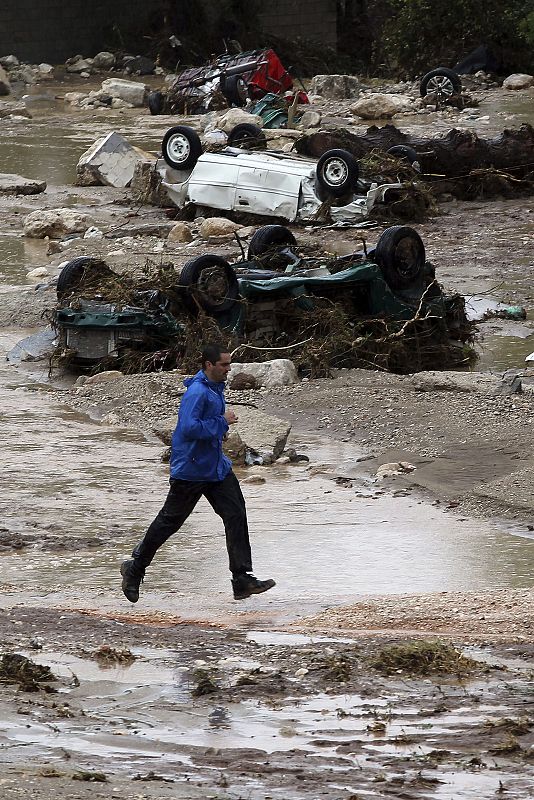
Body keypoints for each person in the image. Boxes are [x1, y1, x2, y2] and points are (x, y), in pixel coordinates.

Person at [120, 343, 275, 602]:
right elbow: (189, 428)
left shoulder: (215, 388)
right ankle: (134, 568)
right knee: (169, 522)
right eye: (224, 365)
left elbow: (206, 426)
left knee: (235, 513)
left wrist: (220, 430)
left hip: (215, 468)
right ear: (208, 365)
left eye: (229, 364)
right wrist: (222, 422)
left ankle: (242, 579)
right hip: (191, 469)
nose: (228, 369)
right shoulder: (197, 392)